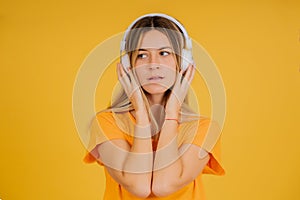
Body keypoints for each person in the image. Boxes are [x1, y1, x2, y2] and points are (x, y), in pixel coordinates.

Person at [84, 13, 225, 199]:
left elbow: (163, 186)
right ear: (129, 66)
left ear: (182, 63)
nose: (153, 65)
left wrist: (171, 112)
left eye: (164, 53)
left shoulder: (204, 129)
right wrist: (141, 114)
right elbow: (140, 188)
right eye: (142, 55)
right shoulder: (107, 123)